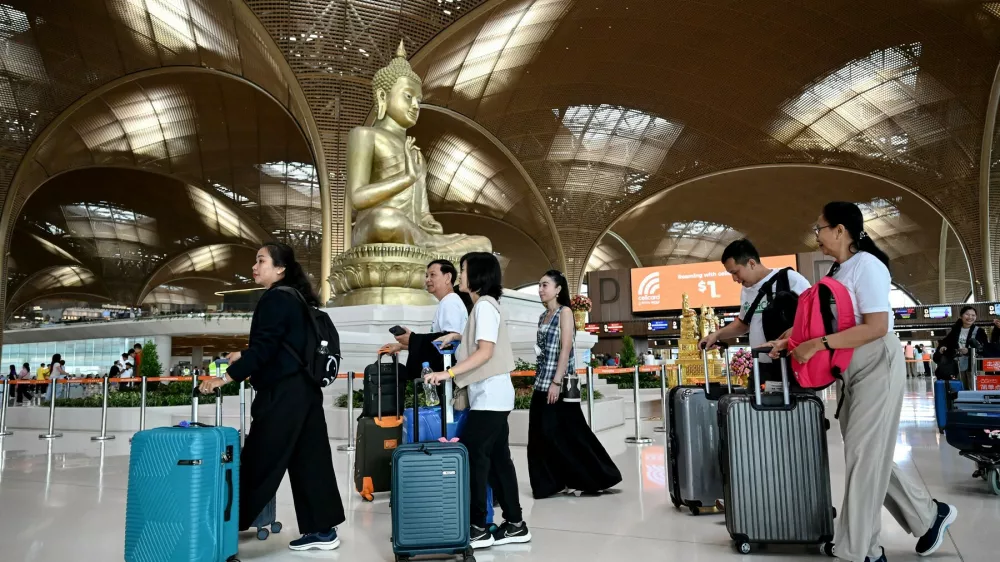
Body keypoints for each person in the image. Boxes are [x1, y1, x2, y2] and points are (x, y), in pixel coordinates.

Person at [769, 202, 956, 562]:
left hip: (876, 362)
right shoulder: (839, 272)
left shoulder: (868, 266)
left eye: (819, 228)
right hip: (848, 365)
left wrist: (817, 344)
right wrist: (790, 337)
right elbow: (833, 320)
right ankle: (929, 517)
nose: (817, 236)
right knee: (869, 453)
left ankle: (859, 550)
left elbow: (875, 326)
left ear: (840, 230)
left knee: (862, 454)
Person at [198, 242, 345, 552]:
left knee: (258, 460)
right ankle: (322, 529)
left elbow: (266, 350)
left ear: (280, 269)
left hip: (283, 396)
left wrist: (222, 378)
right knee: (310, 460)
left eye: (261, 261)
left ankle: (222, 524)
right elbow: (282, 346)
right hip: (305, 392)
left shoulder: (275, 298)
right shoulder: (299, 300)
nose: (255, 266)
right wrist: (245, 355)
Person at [423, 252, 530, 550]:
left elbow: (485, 351)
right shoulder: (484, 307)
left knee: (473, 457)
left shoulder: (483, 307)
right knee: (498, 461)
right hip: (493, 396)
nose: (461, 276)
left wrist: (449, 374)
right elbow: (480, 341)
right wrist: (458, 334)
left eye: (464, 270)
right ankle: (515, 524)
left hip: (490, 398)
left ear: (479, 275)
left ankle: (479, 527)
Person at [528, 270, 621, 499]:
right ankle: (550, 483)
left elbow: (566, 347)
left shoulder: (565, 312)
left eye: (545, 285)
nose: (541, 289)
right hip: (541, 382)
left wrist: (556, 382)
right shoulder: (543, 316)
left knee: (571, 433)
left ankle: (597, 476)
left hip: (557, 383)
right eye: (540, 285)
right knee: (540, 435)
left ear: (558, 289)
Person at [700, 238, 811, 390]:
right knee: (757, 412)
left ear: (751, 263)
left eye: (735, 272)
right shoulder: (747, 291)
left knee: (793, 412)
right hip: (761, 367)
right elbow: (743, 324)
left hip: (791, 365)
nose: (734, 279)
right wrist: (716, 335)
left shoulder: (790, 279)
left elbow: (813, 316)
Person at [387, 259, 472, 399]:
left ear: (448, 277)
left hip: (448, 375)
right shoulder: (448, 301)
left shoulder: (450, 302)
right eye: (426, 276)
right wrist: (403, 345)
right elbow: (438, 343)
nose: (428, 280)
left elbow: (449, 341)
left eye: (433, 275)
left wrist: (413, 338)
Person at [936, 306, 988, 390]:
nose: (970, 317)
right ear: (961, 316)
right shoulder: (956, 329)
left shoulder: (979, 331)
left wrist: (969, 351)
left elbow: (984, 348)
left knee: (974, 387)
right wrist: (943, 346)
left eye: (973, 315)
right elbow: (946, 341)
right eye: (967, 314)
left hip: (974, 364)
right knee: (961, 388)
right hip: (958, 364)